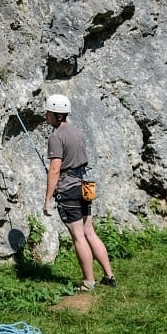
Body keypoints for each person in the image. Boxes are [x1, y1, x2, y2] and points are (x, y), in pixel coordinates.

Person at [42, 93, 116, 292]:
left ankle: (88, 282)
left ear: (55, 115)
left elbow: (55, 169)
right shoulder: (77, 131)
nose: (46, 115)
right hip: (84, 185)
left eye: (48, 112)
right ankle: (109, 276)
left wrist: (48, 199)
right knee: (89, 231)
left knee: (78, 235)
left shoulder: (56, 137)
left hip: (68, 188)